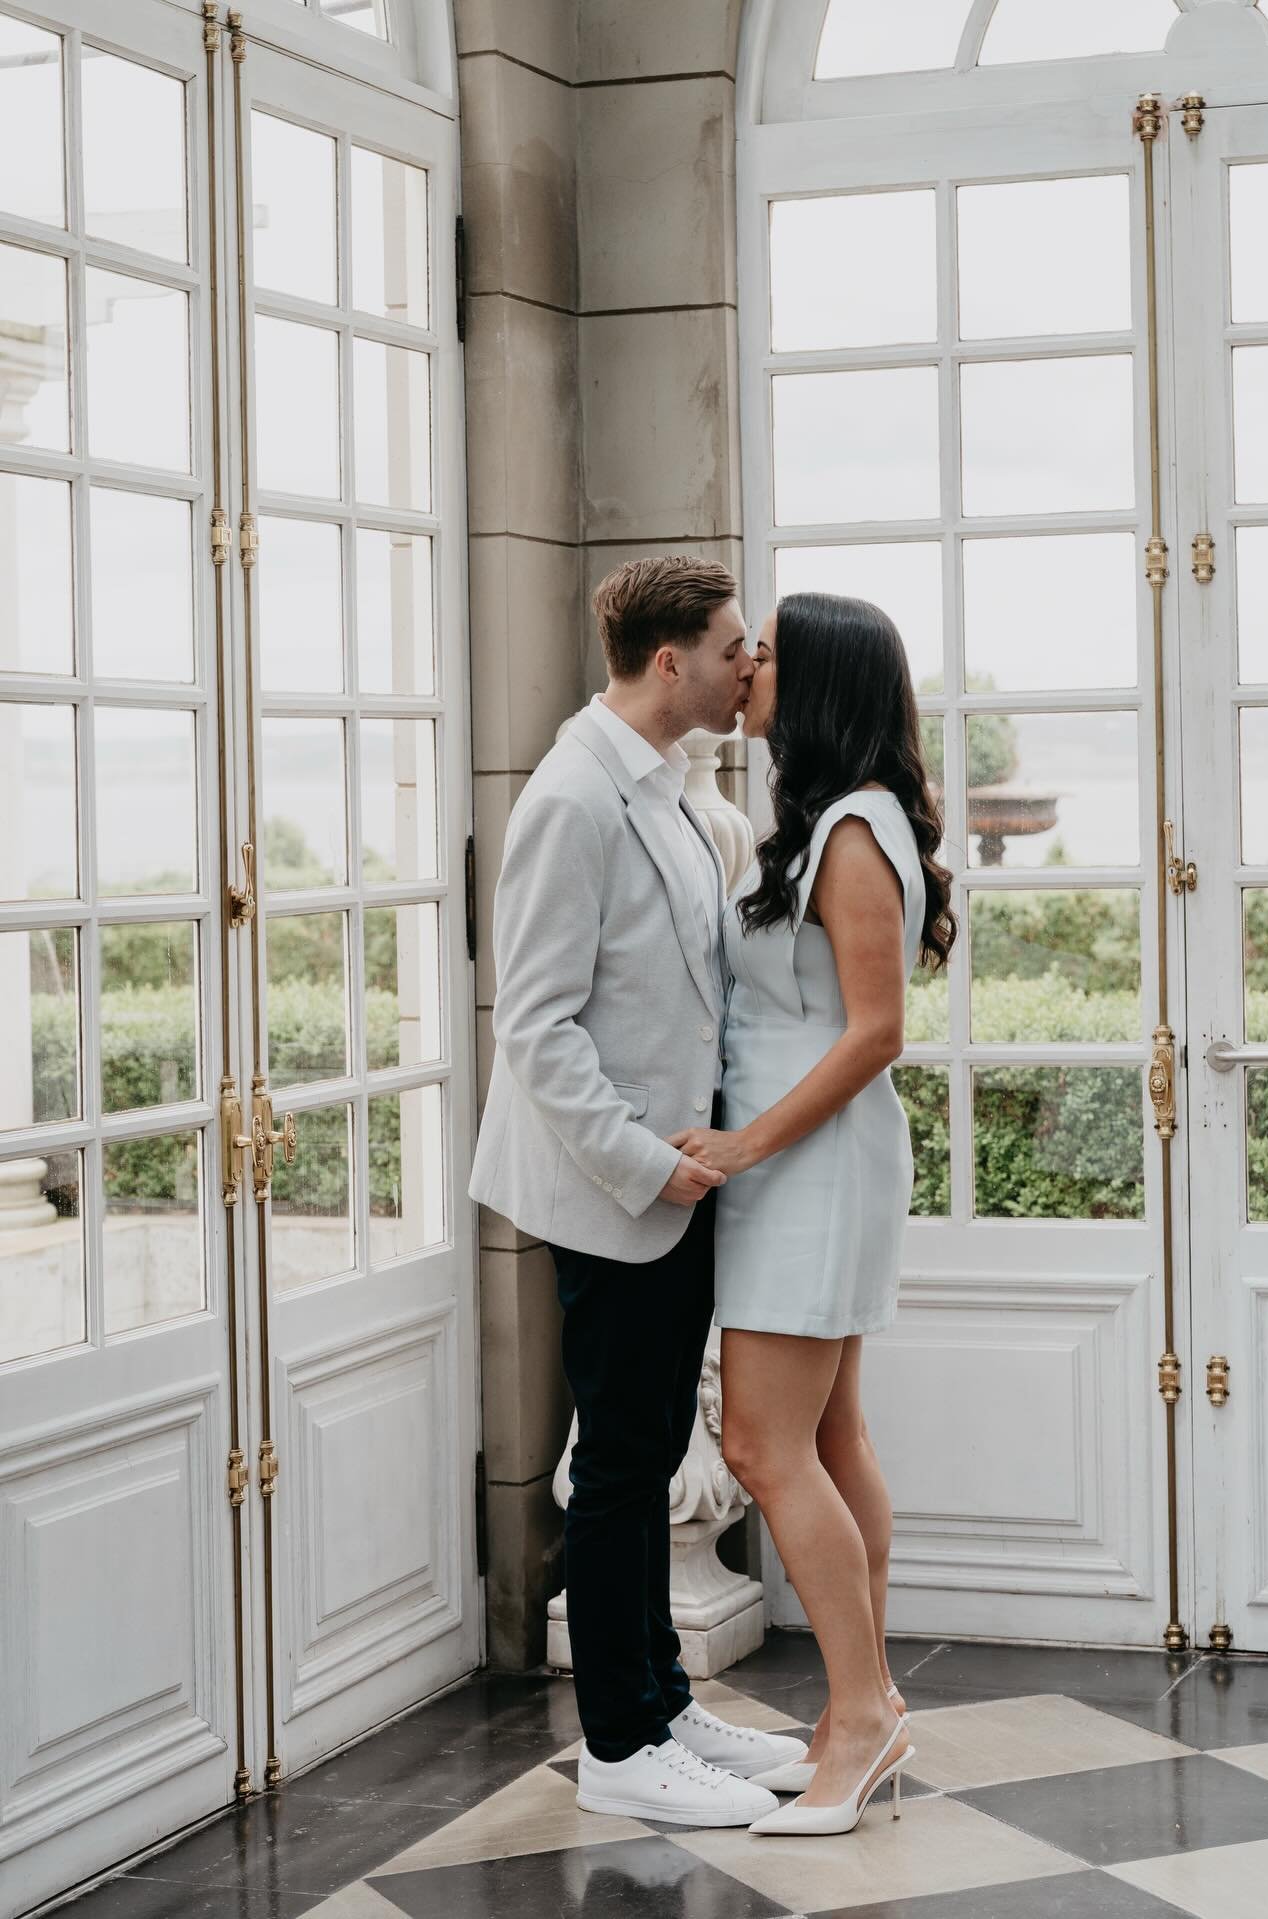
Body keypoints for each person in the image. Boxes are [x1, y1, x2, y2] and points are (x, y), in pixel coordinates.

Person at [468, 557, 805, 1829]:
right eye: (732, 647)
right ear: (670, 660)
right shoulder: (571, 796)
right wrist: (648, 1162)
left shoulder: (663, 788)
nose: (745, 667)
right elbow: (537, 1024)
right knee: (620, 1465)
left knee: (654, 1446)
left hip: (678, 1184)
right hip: (618, 1190)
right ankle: (618, 1742)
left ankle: (663, 1702)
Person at [668, 592, 957, 1837]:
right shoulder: (835, 820)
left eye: (770, 649)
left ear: (823, 678)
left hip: (814, 1167)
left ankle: (857, 1715)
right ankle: (867, 1702)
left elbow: (877, 1032)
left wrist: (743, 1142)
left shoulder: (850, 831)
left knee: (760, 1447)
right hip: (807, 1166)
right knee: (831, 1439)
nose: (752, 664)